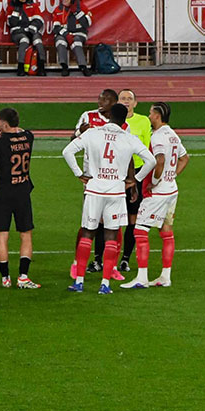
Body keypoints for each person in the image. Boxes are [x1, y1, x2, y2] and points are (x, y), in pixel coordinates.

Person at [62, 103, 156, 294]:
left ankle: (79, 281)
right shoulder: (129, 138)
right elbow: (151, 161)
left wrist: (79, 174)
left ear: (110, 115)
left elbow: (67, 152)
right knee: (111, 235)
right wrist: (135, 180)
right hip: (116, 192)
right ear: (124, 119)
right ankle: (105, 284)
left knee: (88, 232)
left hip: (94, 189)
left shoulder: (92, 133)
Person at [123, 102, 185, 289]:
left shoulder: (157, 136)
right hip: (171, 190)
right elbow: (184, 158)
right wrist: (171, 176)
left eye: (151, 113)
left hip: (157, 194)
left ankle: (141, 278)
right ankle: (165, 276)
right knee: (166, 232)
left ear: (157, 115)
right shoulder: (173, 135)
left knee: (140, 231)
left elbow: (160, 160)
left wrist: (156, 181)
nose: (149, 116)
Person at [0, 107, 41, 289]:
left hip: (3, 193)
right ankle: (23, 277)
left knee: (2, 235)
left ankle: (5, 278)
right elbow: (23, 132)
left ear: (4, 124)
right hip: (23, 191)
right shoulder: (28, 137)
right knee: (26, 234)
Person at [74, 88, 117, 276]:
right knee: (89, 222)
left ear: (113, 102)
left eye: (105, 99)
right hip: (92, 179)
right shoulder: (88, 116)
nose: (100, 101)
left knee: (109, 223)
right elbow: (72, 142)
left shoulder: (119, 121)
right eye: (100, 98)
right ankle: (77, 261)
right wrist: (80, 132)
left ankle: (102, 262)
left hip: (112, 179)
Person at [115, 89, 154, 276]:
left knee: (133, 218)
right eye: (122, 98)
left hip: (137, 173)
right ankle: (103, 259)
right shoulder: (113, 122)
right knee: (112, 218)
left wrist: (140, 178)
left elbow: (148, 147)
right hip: (117, 173)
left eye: (129, 98)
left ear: (135, 103)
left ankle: (125, 258)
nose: (126, 101)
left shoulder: (143, 121)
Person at [51, 0, 93, 77]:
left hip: (79, 33)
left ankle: (83, 66)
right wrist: (66, 34)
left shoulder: (81, 7)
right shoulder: (58, 9)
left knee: (76, 41)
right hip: (64, 34)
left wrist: (76, 12)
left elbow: (87, 24)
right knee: (60, 41)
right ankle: (64, 66)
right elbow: (56, 27)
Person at [7, 0, 46, 76]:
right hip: (18, 33)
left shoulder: (33, 5)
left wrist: (31, 29)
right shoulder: (11, 7)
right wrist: (16, 9)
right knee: (24, 40)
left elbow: (39, 20)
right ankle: (21, 67)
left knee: (38, 41)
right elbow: (12, 23)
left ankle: (41, 67)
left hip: (32, 31)